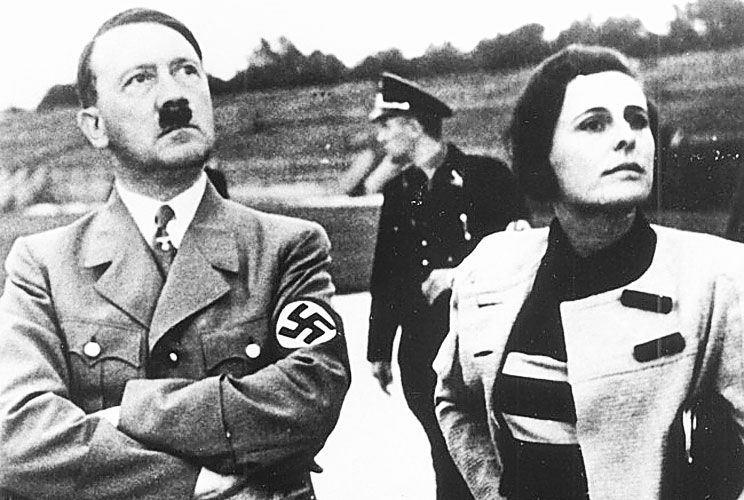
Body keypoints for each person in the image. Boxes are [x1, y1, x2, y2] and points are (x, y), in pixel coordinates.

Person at [0, 9, 349, 499]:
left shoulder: (287, 247)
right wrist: (190, 483)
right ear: (95, 126)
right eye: (140, 79)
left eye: (187, 71)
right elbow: (19, 437)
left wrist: (133, 413)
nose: (174, 96)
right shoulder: (44, 265)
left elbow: (311, 394)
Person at [434, 44, 744, 499]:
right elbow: (455, 402)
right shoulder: (489, 268)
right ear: (542, 152)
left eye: (637, 120)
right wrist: (491, 490)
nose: (627, 138)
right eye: (594, 124)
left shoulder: (719, 277)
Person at [366, 72, 528, 499]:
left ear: (413, 125)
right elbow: (387, 273)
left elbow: (521, 252)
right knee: (447, 457)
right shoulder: (400, 190)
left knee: (498, 460)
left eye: (386, 124)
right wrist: (379, 350)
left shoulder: (486, 176)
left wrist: (458, 276)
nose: (380, 136)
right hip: (421, 352)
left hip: (484, 347)